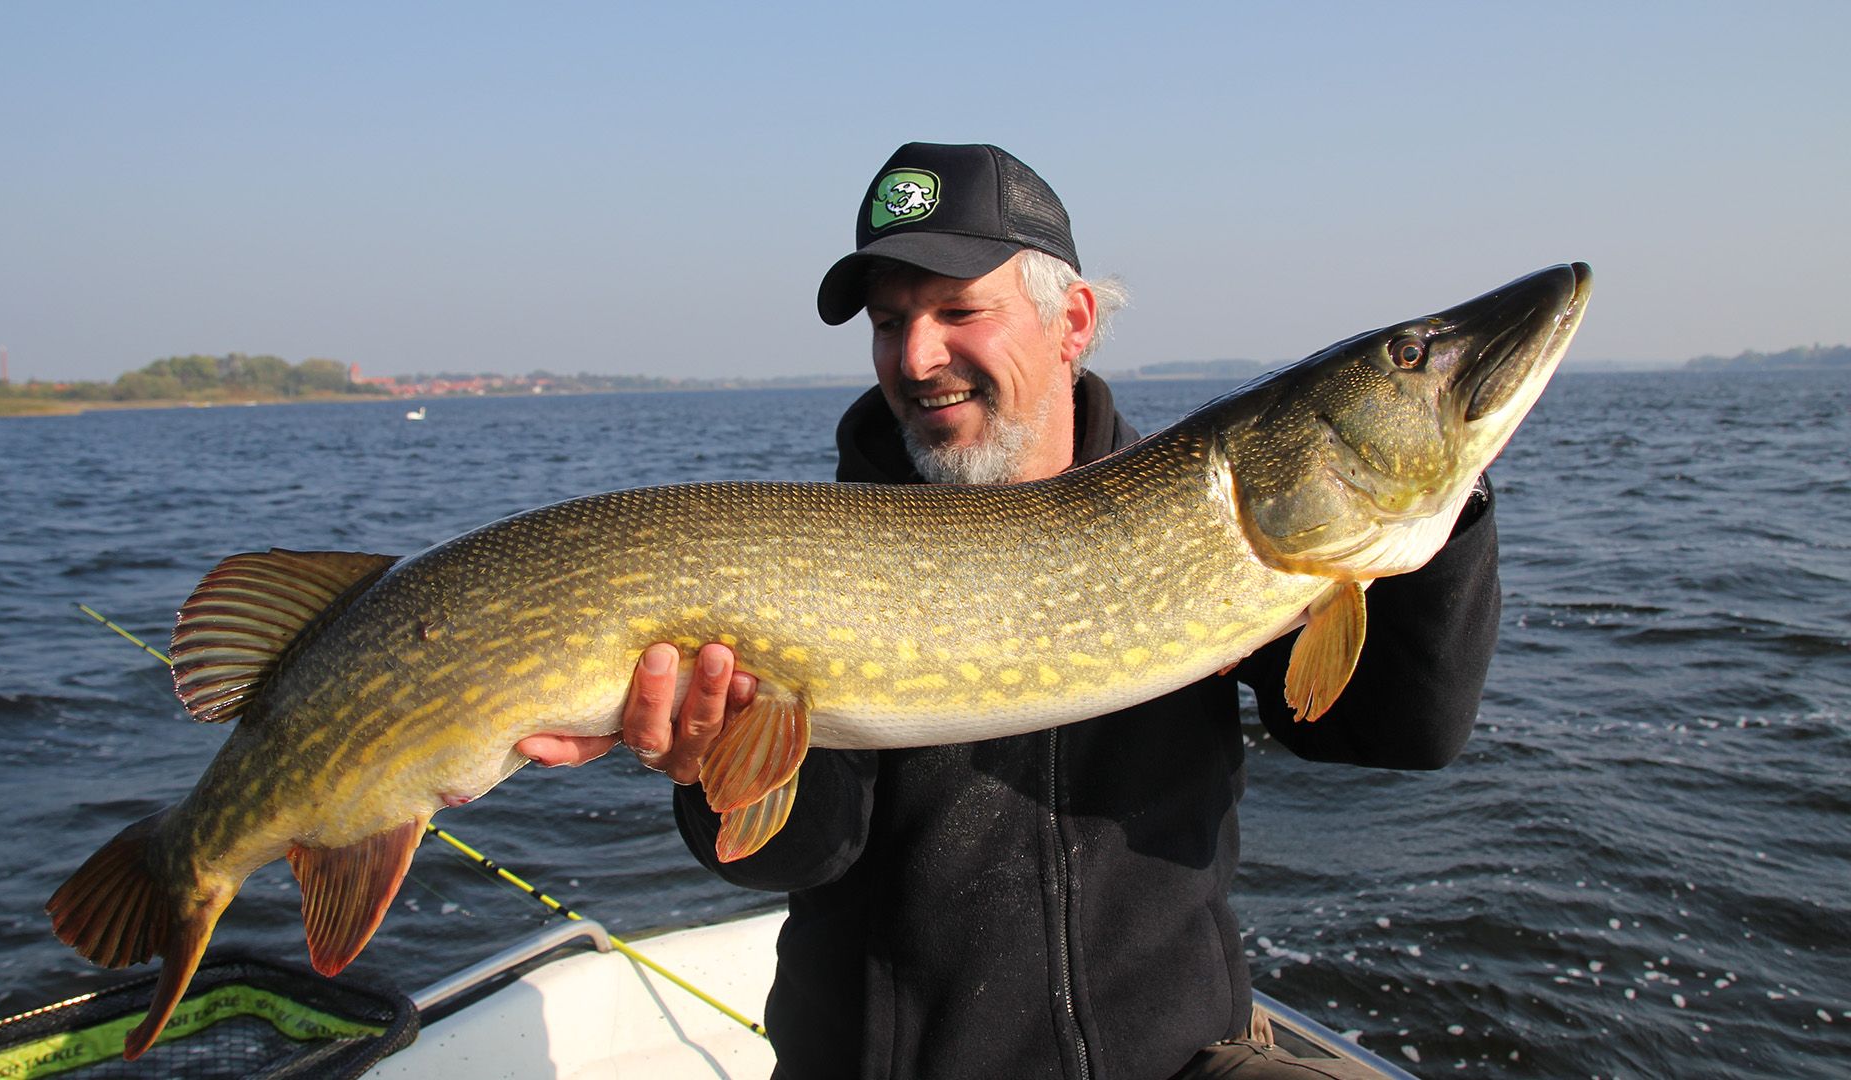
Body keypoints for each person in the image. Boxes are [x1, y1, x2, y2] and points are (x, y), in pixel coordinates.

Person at [518, 142, 1500, 1079]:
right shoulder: (803, 554)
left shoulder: (1221, 523)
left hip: (1181, 1057)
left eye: (956, 310)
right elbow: (804, 852)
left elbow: (1403, 732)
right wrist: (710, 766)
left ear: (1071, 320)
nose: (917, 354)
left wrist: (1444, 505)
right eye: (891, 320)